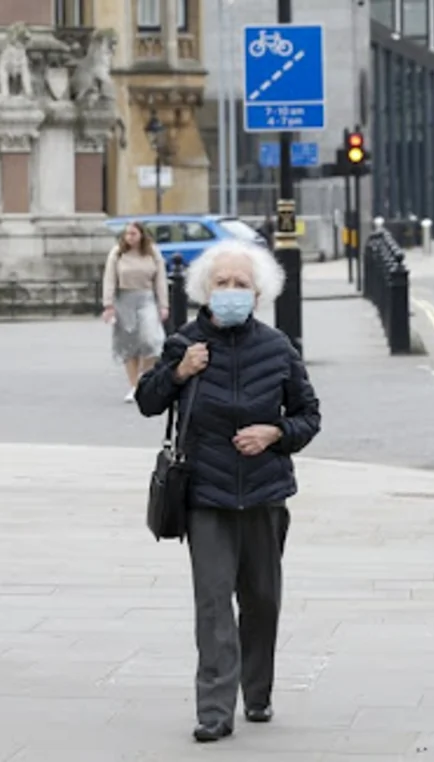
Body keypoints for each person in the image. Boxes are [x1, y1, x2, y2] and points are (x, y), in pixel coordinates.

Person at [134, 238, 321, 743]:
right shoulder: (185, 343)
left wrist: (275, 434)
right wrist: (178, 371)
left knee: (261, 600)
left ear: (258, 294)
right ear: (205, 290)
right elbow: (148, 403)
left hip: (265, 493)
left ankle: (257, 695)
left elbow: (309, 416)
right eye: (223, 283)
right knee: (214, 602)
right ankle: (215, 710)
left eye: (242, 284)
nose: (232, 291)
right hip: (206, 495)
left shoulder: (278, 348)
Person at [101, 221, 169, 402]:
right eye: (127, 234)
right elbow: (109, 279)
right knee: (129, 345)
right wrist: (108, 305)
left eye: (133, 234)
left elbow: (160, 280)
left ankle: (143, 376)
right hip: (124, 299)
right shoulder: (117, 253)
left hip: (146, 298)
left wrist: (164, 305)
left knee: (152, 340)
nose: (129, 237)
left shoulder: (153, 253)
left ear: (141, 235)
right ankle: (134, 386)